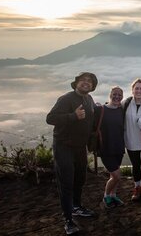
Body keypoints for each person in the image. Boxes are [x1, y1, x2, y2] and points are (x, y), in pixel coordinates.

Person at [46, 72, 97, 235]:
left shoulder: (89, 100)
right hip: (64, 147)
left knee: (80, 179)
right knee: (66, 182)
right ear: (76, 83)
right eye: (83, 80)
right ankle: (68, 220)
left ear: (92, 86)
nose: (86, 83)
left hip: (80, 148)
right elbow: (50, 118)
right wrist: (73, 116)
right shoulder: (66, 99)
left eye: (89, 81)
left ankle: (76, 207)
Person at [96, 86, 126, 208]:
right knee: (117, 175)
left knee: (114, 176)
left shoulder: (121, 110)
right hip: (105, 148)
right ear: (110, 95)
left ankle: (113, 195)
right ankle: (106, 196)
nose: (117, 97)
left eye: (119, 95)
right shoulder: (101, 110)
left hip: (118, 146)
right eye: (115, 94)